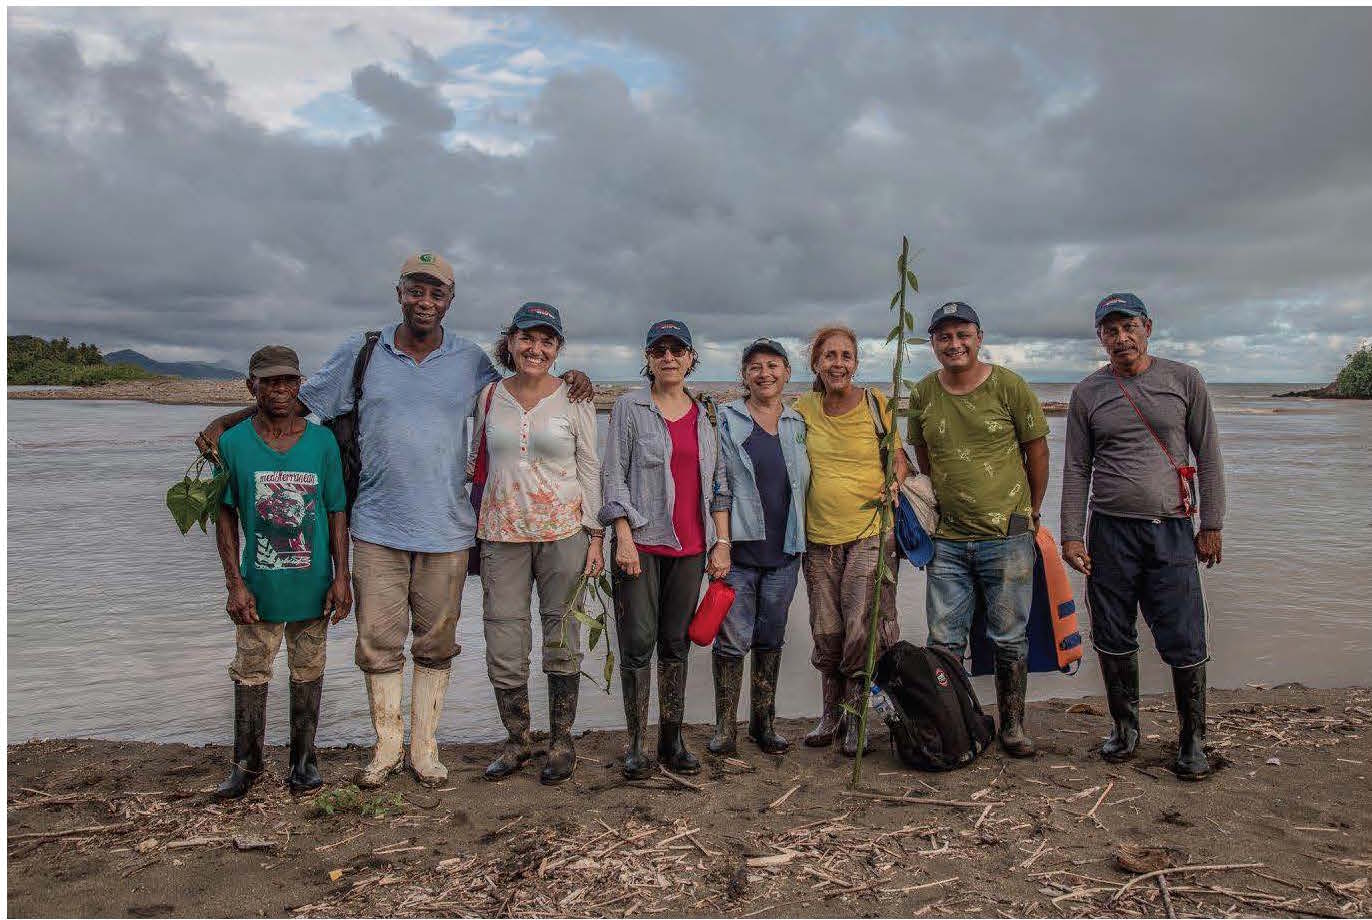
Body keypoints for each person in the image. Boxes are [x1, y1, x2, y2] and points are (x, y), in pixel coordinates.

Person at [195, 252, 592, 789]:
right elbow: (297, 403)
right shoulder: (363, 354)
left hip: (449, 529)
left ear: (450, 301)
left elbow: (526, 389)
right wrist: (228, 420)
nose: (425, 302)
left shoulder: (472, 363)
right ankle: (386, 746)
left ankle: (425, 748)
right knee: (377, 642)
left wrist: (574, 380)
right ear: (399, 292)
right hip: (377, 526)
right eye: (416, 291)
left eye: (437, 294)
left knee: (436, 642)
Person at [1061, 293, 1226, 780]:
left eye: (1128, 327)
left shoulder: (1183, 380)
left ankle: (1193, 738)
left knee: (1184, 633)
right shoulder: (1088, 393)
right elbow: (1076, 467)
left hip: (1170, 529)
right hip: (1108, 530)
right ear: (1100, 338)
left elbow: (1209, 455)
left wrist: (1211, 524)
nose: (1120, 338)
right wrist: (1072, 536)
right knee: (1113, 632)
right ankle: (1125, 729)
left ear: (1147, 327)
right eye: (1110, 331)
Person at [907, 302, 1050, 758]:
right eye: (944, 337)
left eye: (962, 335)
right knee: (944, 639)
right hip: (946, 540)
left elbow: (1037, 452)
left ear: (979, 337)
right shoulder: (925, 392)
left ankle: (1012, 726)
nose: (954, 344)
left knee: (1009, 636)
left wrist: (1031, 510)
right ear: (933, 344)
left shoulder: (1009, 386)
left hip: (1006, 536)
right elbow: (923, 456)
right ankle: (958, 722)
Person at [212, 346, 351, 799]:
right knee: (251, 671)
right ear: (251, 386)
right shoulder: (232, 445)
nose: (280, 390)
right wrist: (235, 583)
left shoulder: (320, 442)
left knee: (308, 670)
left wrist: (341, 576)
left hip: (311, 586)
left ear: (300, 384)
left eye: (288, 381)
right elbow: (226, 516)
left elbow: (335, 512)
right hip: (259, 586)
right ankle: (246, 767)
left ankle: (304, 763)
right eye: (269, 382)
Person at [474, 303, 604, 785]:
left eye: (547, 341)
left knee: (562, 634)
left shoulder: (575, 398)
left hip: (564, 532)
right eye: (527, 338)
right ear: (510, 342)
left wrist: (595, 535)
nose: (536, 348)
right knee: (504, 638)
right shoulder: (489, 395)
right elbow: (477, 459)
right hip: (501, 533)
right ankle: (517, 739)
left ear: (557, 349)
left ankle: (562, 740)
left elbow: (590, 467)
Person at [600, 319, 731, 779]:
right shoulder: (628, 408)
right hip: (641, 544)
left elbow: (719, 484)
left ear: (692, 358)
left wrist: (722, 542)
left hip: (693, 547)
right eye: (660, 350)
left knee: (676, 644)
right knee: (637, 644)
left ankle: (672, 740)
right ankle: (636, 746)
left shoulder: (707, 412)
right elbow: (612, 475)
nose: (669, 358)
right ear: (649, 359)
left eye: (678, 350)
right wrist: (623, 537)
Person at [793, 324, 908, 757]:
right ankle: (830, 713)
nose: (837, 364)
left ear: (855, 363)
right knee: (827, 629)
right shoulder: (803, 408)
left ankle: (857, 718)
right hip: (818, 537)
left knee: (863, 628)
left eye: (845, 356)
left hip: (871, 534)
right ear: (816, 364)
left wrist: (893, 486)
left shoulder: (877, 404)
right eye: (829, 356)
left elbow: (899, 461)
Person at [708, 338, 810, 756]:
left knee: (771, 637)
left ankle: (763, 725)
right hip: (739, 554)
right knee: (732, 640)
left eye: (773, 365)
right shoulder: (726, 419)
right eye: (755, 366)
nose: (764, 373)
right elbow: (719, 485)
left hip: (786, 551)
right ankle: (724, 729)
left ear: (786, 372)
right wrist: (721, 543)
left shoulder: (799, 423)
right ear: (744, 375)